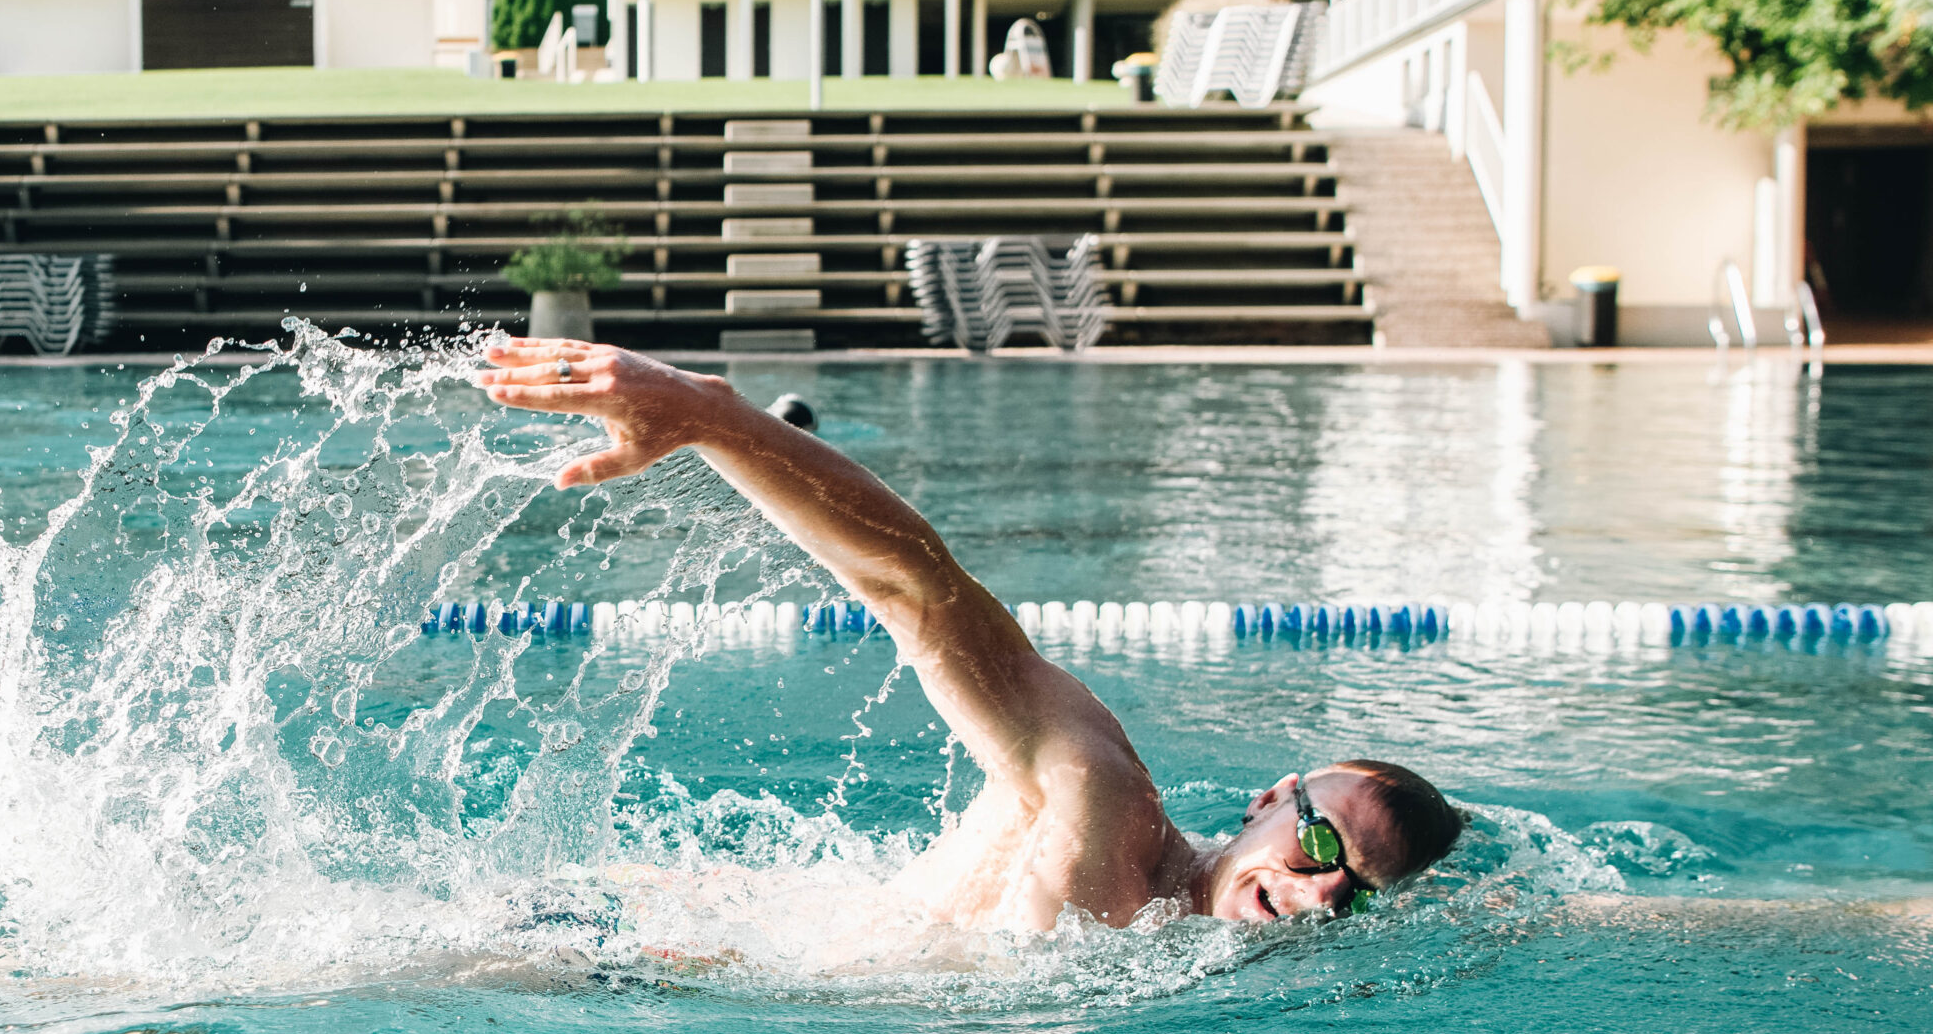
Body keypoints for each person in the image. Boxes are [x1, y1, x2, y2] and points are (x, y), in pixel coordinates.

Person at [475, 337, 1461, 934]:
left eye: (1360, 891)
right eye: (1323, 839)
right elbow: (922, 592)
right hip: (608, 946)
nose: (1325, 888)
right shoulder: (1100, 802)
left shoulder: (1189, 950)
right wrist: (712, 417)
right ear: (1268, 800)